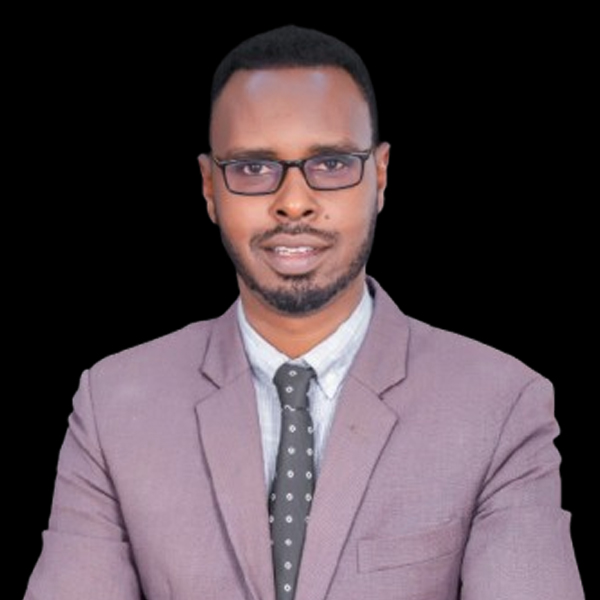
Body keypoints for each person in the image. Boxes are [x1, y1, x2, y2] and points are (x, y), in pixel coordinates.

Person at [24, 25, 583, 600]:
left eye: (332, 163)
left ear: (381, 176)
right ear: (209, 187)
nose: (293, 202)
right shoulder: (114, 407)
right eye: (253, 168)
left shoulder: (500, 405)